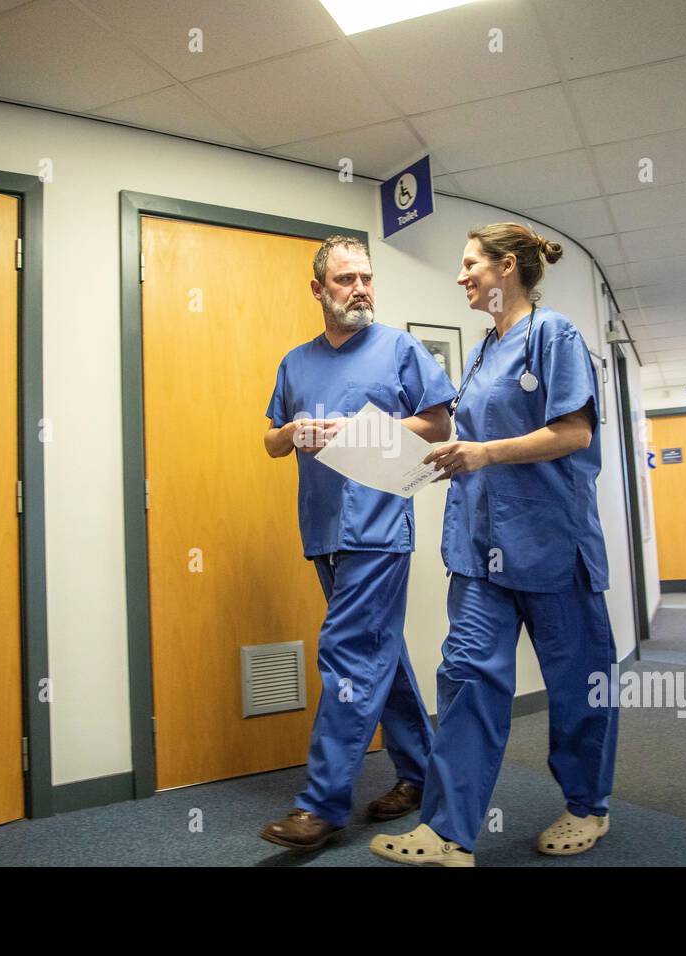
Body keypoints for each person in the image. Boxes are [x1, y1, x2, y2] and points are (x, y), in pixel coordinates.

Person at [371, 223, 619, 867]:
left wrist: (483, 452)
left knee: (577, 684)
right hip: (481, 550)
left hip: (551, 543)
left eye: (470, 264)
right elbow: (470, 441)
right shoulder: (483, 350)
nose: (461, 276)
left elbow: (573, 433)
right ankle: (448, 832)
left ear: (506, 267)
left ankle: (587, 806)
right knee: (466, 679)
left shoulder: (552, 334)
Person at [260, 235, 456, 850]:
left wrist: (362, 431)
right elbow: (269, 441)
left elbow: (439, 424)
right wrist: (291, 431)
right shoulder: (296, 361)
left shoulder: (397, 348)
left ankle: (320, 806)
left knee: (348, 652)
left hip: (376, 528)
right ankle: (421, 775)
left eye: (366, 278)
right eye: (346, 280)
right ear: (319, 289)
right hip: (322, 530)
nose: (361, 289)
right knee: (380, 652)